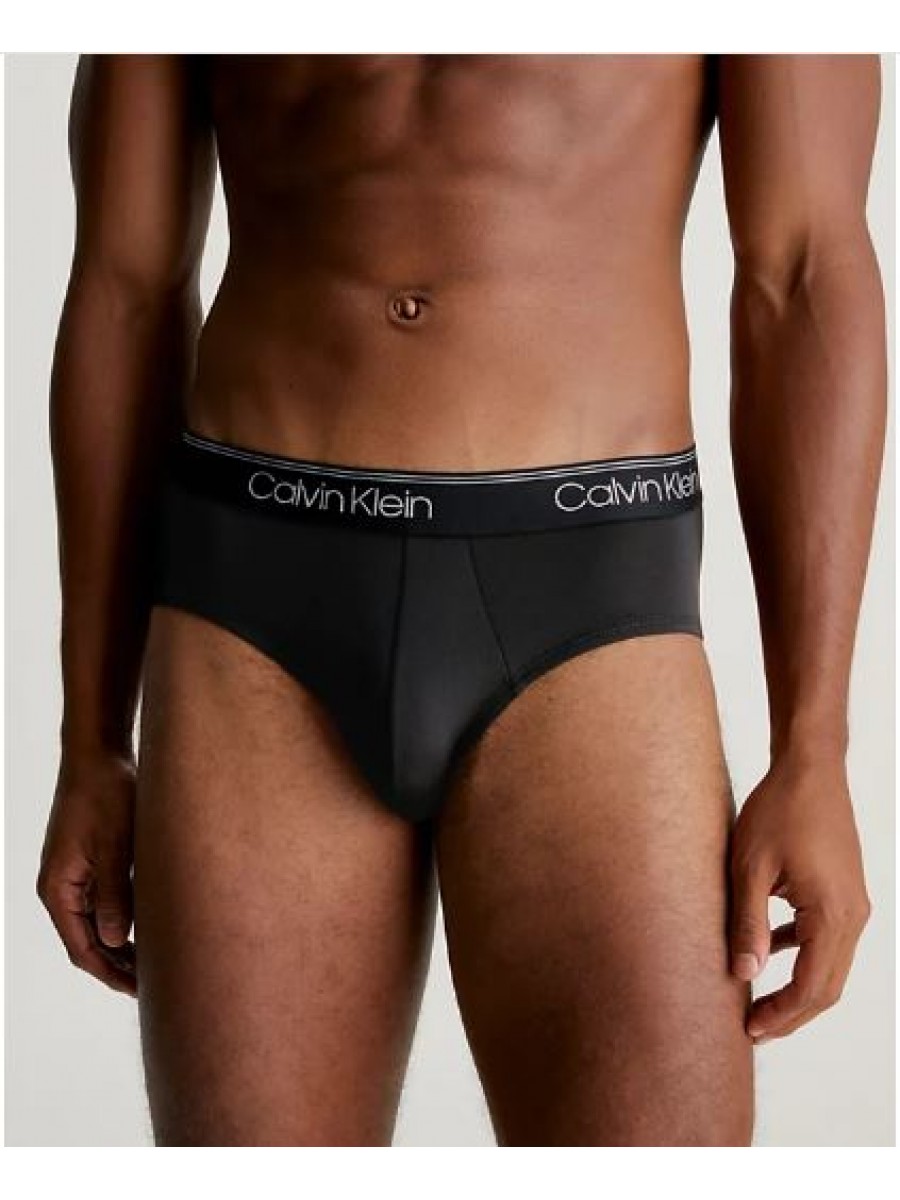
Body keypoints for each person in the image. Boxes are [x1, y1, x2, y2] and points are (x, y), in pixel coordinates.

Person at [37, 54, 885, 1146]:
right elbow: (126, 284)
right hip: (252, 605)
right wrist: (91, 740)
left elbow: (803, 270)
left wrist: (813, 748)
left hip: (587, 603)